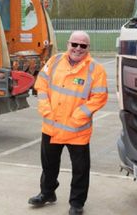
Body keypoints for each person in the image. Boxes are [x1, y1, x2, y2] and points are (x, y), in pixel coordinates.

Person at [28, 31, 108, 215]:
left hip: (77, 130)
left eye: (83, 46)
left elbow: (99, 97)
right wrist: (45, 109)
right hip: (51, 125)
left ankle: (77, 203)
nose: (78, 49)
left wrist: (78, 116)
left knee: (80, 170)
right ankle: (47, 193)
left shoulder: (96, 69)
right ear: (68, 44)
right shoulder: (55, 61)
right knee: (48, 165)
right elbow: (41, 85)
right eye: (75, 44)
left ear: (88, 48)